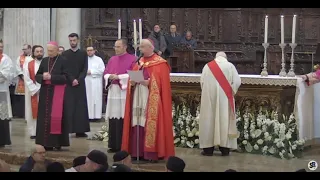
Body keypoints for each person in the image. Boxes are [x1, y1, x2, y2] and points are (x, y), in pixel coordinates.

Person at [121, 39, 175, 162]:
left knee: (148, 122)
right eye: (140, 47)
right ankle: (136, 151)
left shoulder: (160, 63)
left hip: (151, 99)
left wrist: (149, 82)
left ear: (151, 48)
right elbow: (132, 78)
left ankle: (150, 153)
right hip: (138, 96)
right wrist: (132, 82)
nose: (140, 50)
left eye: (142, 47)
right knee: (137, 121)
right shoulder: (139, 62)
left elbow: (162, 84)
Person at [199, 52, 241, 156]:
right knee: (224, 121)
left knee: (209, 121)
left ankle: (208, 149)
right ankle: (224, 149)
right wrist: (230, 92)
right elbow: (237, 81)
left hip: (209, 100)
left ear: (216, 57)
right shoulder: (230, 66)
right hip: (225, 100)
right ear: (225, 57)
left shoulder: (207, 66)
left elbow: (202, 82)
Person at [35, 41, 70, 151]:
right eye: (48, 50)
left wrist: (52, 77)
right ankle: (43, 142)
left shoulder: (63, 61)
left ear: (56, 50)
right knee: (44, 118)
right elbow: (37, 76)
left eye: (51, 51)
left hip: (57, 94)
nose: (49, 53)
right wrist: (42, 77)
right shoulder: (45, 61)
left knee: (56, 119)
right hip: (45, 93)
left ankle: (57, 142)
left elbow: (66, 78)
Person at [104, 39, 135, 153]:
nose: (115, 49)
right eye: (115, 46)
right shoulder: (112, 59)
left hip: (124, 91)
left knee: (123, 117)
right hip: (113, 91)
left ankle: (123, 145)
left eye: (118, 47)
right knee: (114, 117)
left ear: (124, 47)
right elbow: (106, 72)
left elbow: (134, 74)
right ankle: (113, 145)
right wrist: (109, 76)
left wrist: (119, 77)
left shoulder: (133, 59)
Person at [62, 33, 90, 137]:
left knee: (80, 107)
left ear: (77, 40)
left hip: (80, 84)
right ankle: (69, 129)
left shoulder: (83, 53)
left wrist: (78, 79)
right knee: (69, 106)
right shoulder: (65, 54)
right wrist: (71, 79)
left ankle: (80, 130)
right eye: (70, 41)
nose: (72, 42)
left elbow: (84, 68)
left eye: (74, 40)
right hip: (69, 84)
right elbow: (65, 69)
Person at [23, 45, 44, 139]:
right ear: (33, 53)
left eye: (41, 51)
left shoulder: (46, 62)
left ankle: (44, 131)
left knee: (44, 112)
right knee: (32, 111)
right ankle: (34, 132)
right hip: (34, 92)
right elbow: (26, 78)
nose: (39, 53)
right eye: (37, 51)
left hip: (45, 90)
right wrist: (35, 88)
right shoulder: (28, 64)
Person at [12, 44, 33, 118]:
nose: (24, 51)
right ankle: (20, 114)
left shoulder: (33, 57)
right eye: (23, 49)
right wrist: (23, 77)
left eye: (25, 49)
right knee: (21, 97)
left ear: (30, 49)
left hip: (31, 80)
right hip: (22, 80)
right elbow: (18, 68)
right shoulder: (19, 58)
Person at [85, 46, 105, 122]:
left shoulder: (99, 60)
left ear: (94, 51)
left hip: (96, 82)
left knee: (96, 99)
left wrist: (91, 72)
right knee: (87, 99)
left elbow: (102, 70)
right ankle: (88, 116)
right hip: (87, 82)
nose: (89, 52)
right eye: (88, 50)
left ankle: (97, 116)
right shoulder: (84, 59)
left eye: (91, 50)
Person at [0, 40, 13, 148]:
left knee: (2, 115)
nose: (0, 48)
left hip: (2, 91)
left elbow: (7, 74)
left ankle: (2, 140)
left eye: (1, 46)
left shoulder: (6, 59)